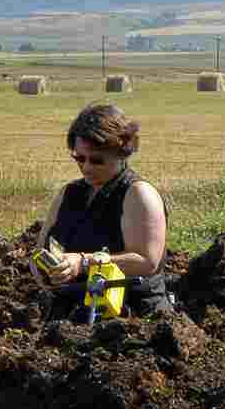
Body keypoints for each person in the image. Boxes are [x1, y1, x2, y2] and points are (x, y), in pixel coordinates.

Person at [30, 102, 172, 319]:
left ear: (121, 153)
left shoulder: (138, 194)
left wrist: (83, 262)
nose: (86, 167)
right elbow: (40, 251)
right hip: (69, 315)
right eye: (79, 158)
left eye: (97, 160)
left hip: (131, 318)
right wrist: (44, 271)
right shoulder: (68, 194)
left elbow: (147, 261)